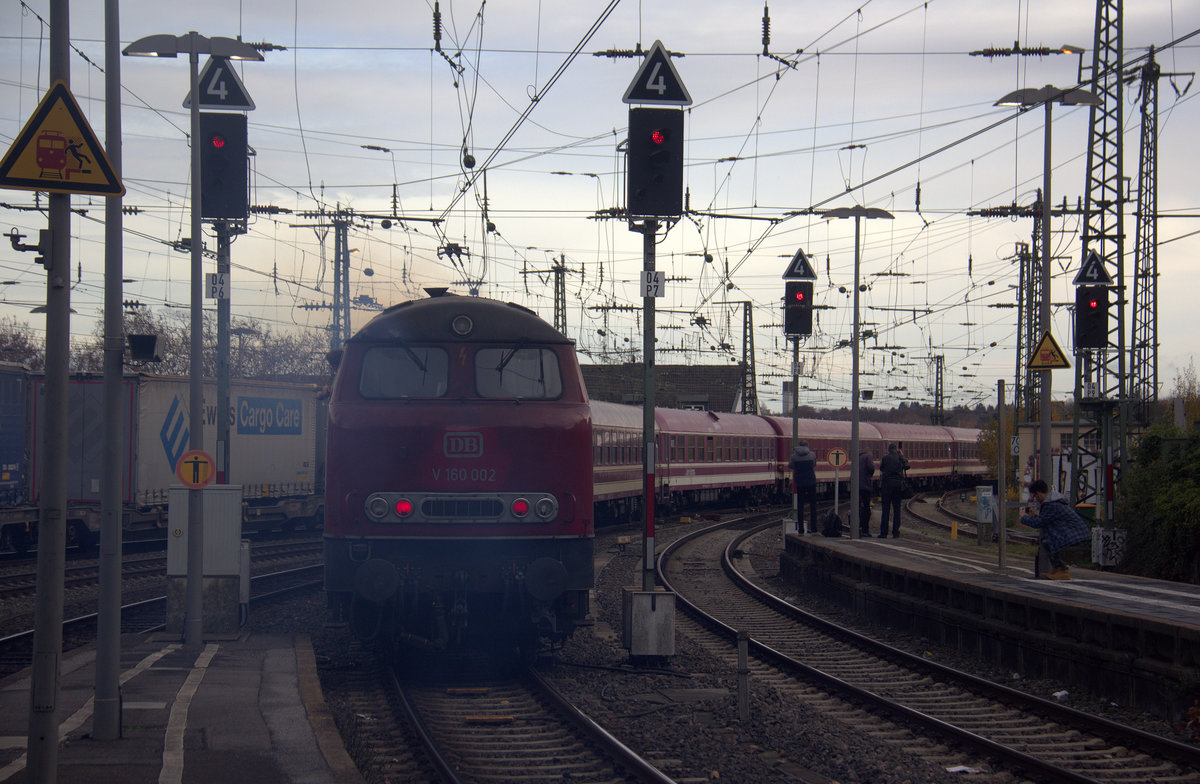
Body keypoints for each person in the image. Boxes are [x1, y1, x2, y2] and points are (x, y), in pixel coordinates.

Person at [1020, 479, 1091, 580]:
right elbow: (1045, 520)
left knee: (1048, 540)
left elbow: (1038, 523)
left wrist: (1023, 517)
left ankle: (1063, 570)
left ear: (1038, 494)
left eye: (1035, 497)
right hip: (1073, 533)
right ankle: (1058, 569)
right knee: (1047, 538)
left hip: (1075, 536)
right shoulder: (1053, 502)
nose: (1036, 499)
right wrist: (1034, 516)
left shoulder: (1051, 505)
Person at [878, 443, 910, 538]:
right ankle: (895, 532)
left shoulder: (885, 458)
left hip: (886, 485)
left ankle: (883, 533)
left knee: (885, 510)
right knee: (897, 510)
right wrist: (902, 455)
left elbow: (881, 468)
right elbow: (907, 466)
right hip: (897, 486)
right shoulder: (900, 457)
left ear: (888, 450)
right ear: (896, 449)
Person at [788, 441, 818, 534]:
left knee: (800, 506)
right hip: (811, 481)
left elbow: (790, 466)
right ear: (807, 446)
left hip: (800, 482)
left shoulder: (794, 456)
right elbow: (814, 464)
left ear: (798, 446)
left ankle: (801, 529)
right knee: (813, 505)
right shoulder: (812, 455)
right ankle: (814, 529)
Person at [858, 447, 875, 536]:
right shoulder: (868, 457)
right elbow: (871, 468)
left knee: (857, 507)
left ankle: (856, 527)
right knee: (866, 507)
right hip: (865, 486)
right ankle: (865, 529)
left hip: (856, 486)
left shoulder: (856, 457)